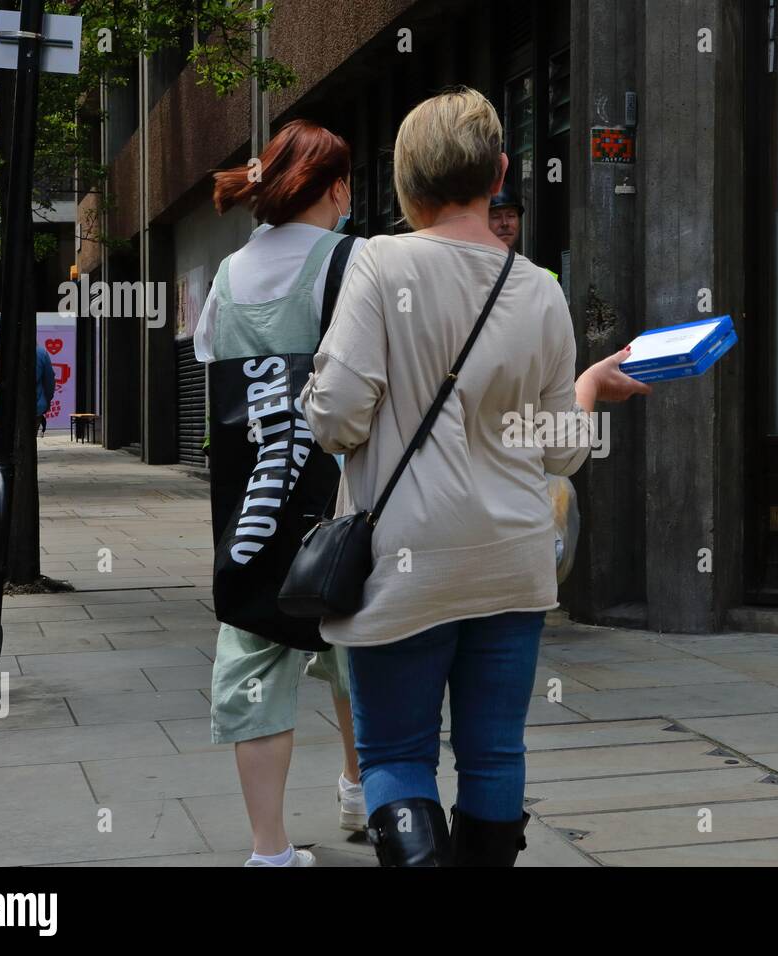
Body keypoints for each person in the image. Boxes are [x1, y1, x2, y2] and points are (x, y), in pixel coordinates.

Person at [300, 87, 649, 867]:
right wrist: (591, 386)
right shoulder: (538, 290)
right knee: (495, 754)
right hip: (513, 562)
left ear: (406, 176)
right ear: (498, 172)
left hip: (405, 560)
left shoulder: (377, 264)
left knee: (396, 753)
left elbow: (338, 419)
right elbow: (562, 449)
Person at [195, 119, 367, 867]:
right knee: (357, 645)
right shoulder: (354, 262)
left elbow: (209, 355)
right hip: (345, 495)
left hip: (252, 506)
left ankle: (270, 850)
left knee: (253, 652)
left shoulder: (228, 275)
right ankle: (361, 788)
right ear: (335, 187)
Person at [0, 345, 56, 436]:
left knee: (9, 440)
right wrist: (46, 402)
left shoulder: (6, 352)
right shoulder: (41, 353)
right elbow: (49, 381)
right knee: (29, 441)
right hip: (35, 407)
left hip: (9, 407)